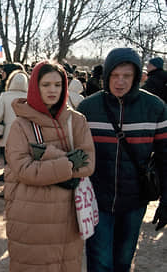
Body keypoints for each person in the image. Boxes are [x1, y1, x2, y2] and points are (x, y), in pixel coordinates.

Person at [77, 48, 167, 271]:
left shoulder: (155, 108)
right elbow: (76, 153)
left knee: (123, 262)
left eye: (126, 76)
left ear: (137, 77)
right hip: (98, 199)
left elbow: (166, 157)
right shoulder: (87, 108)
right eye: (115, 75)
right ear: (106, 75)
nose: (120, 82)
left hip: (135, 201)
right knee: (100, 262)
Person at [4, 60, 95, 271]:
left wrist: (47, 156)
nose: (53, 90)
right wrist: (68, 163)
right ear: (36, 87)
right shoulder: (21, 125)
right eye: (46, 85)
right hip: (31, 216)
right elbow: (24, 170)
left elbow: (88, 163)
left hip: (69, 217)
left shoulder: (77, 121)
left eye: (58, 84)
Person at [0, 70, 29, 185]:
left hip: (7, 133)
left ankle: (8, 183)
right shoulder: (29, 97)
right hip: (25, 133)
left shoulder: (4, 95)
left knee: (7, 160)